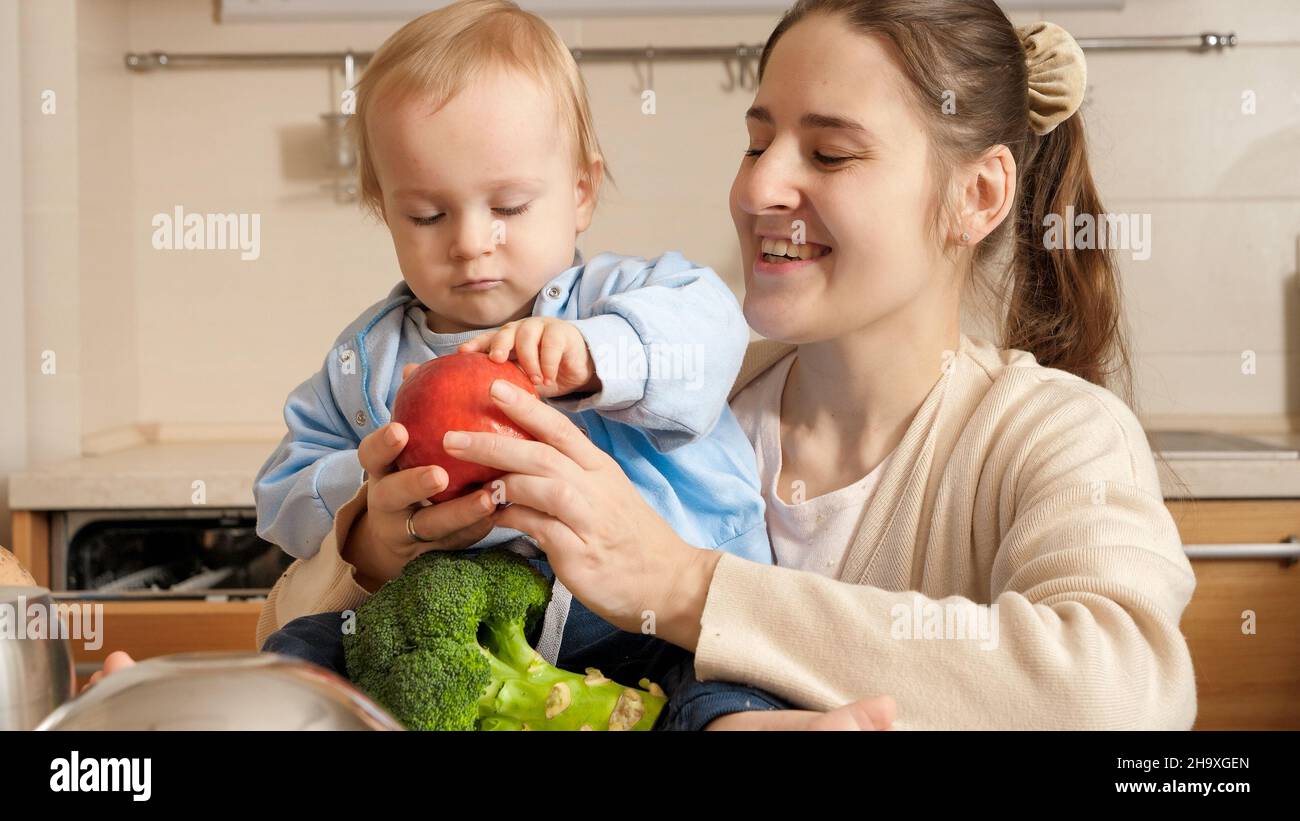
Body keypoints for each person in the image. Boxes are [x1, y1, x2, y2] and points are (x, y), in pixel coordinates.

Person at [257, 0, 1198, 730]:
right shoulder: (670, 413)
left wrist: (684, 587)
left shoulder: (1050, 436)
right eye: (756, 140)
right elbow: (302, 638)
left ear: (978, 193)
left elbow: (1121, 699)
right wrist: (371, 550)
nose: (757, 186)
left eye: (828, 152)